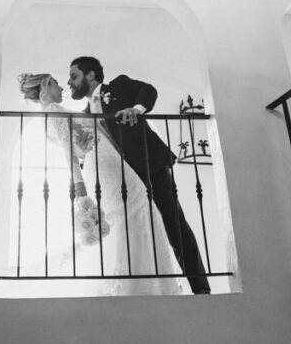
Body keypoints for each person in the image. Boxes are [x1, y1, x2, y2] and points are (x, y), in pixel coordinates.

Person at [17, 72, 184, 296]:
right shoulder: (54, 112)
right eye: (56, 83)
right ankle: (141, 285)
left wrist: (82, 151)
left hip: (107, 164)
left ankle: (139, 281)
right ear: (46, 86)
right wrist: (80, 188)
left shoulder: (49, 116)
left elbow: (76, 147)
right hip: (109, 168)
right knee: (136, 209)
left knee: (134, 212)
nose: (62, 86)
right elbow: (70, 153)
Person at [67, 56, 211, 295]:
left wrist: (136, 109)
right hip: (122, 182)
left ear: (90, 75)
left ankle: (201, 290)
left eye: (74, 76)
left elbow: (148, 91)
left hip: (149, 165)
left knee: (174, 225)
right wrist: (81, 154)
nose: (70, 82)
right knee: (138, 231)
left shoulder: (119, 86)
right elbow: (89, 152)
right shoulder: (83, 114)